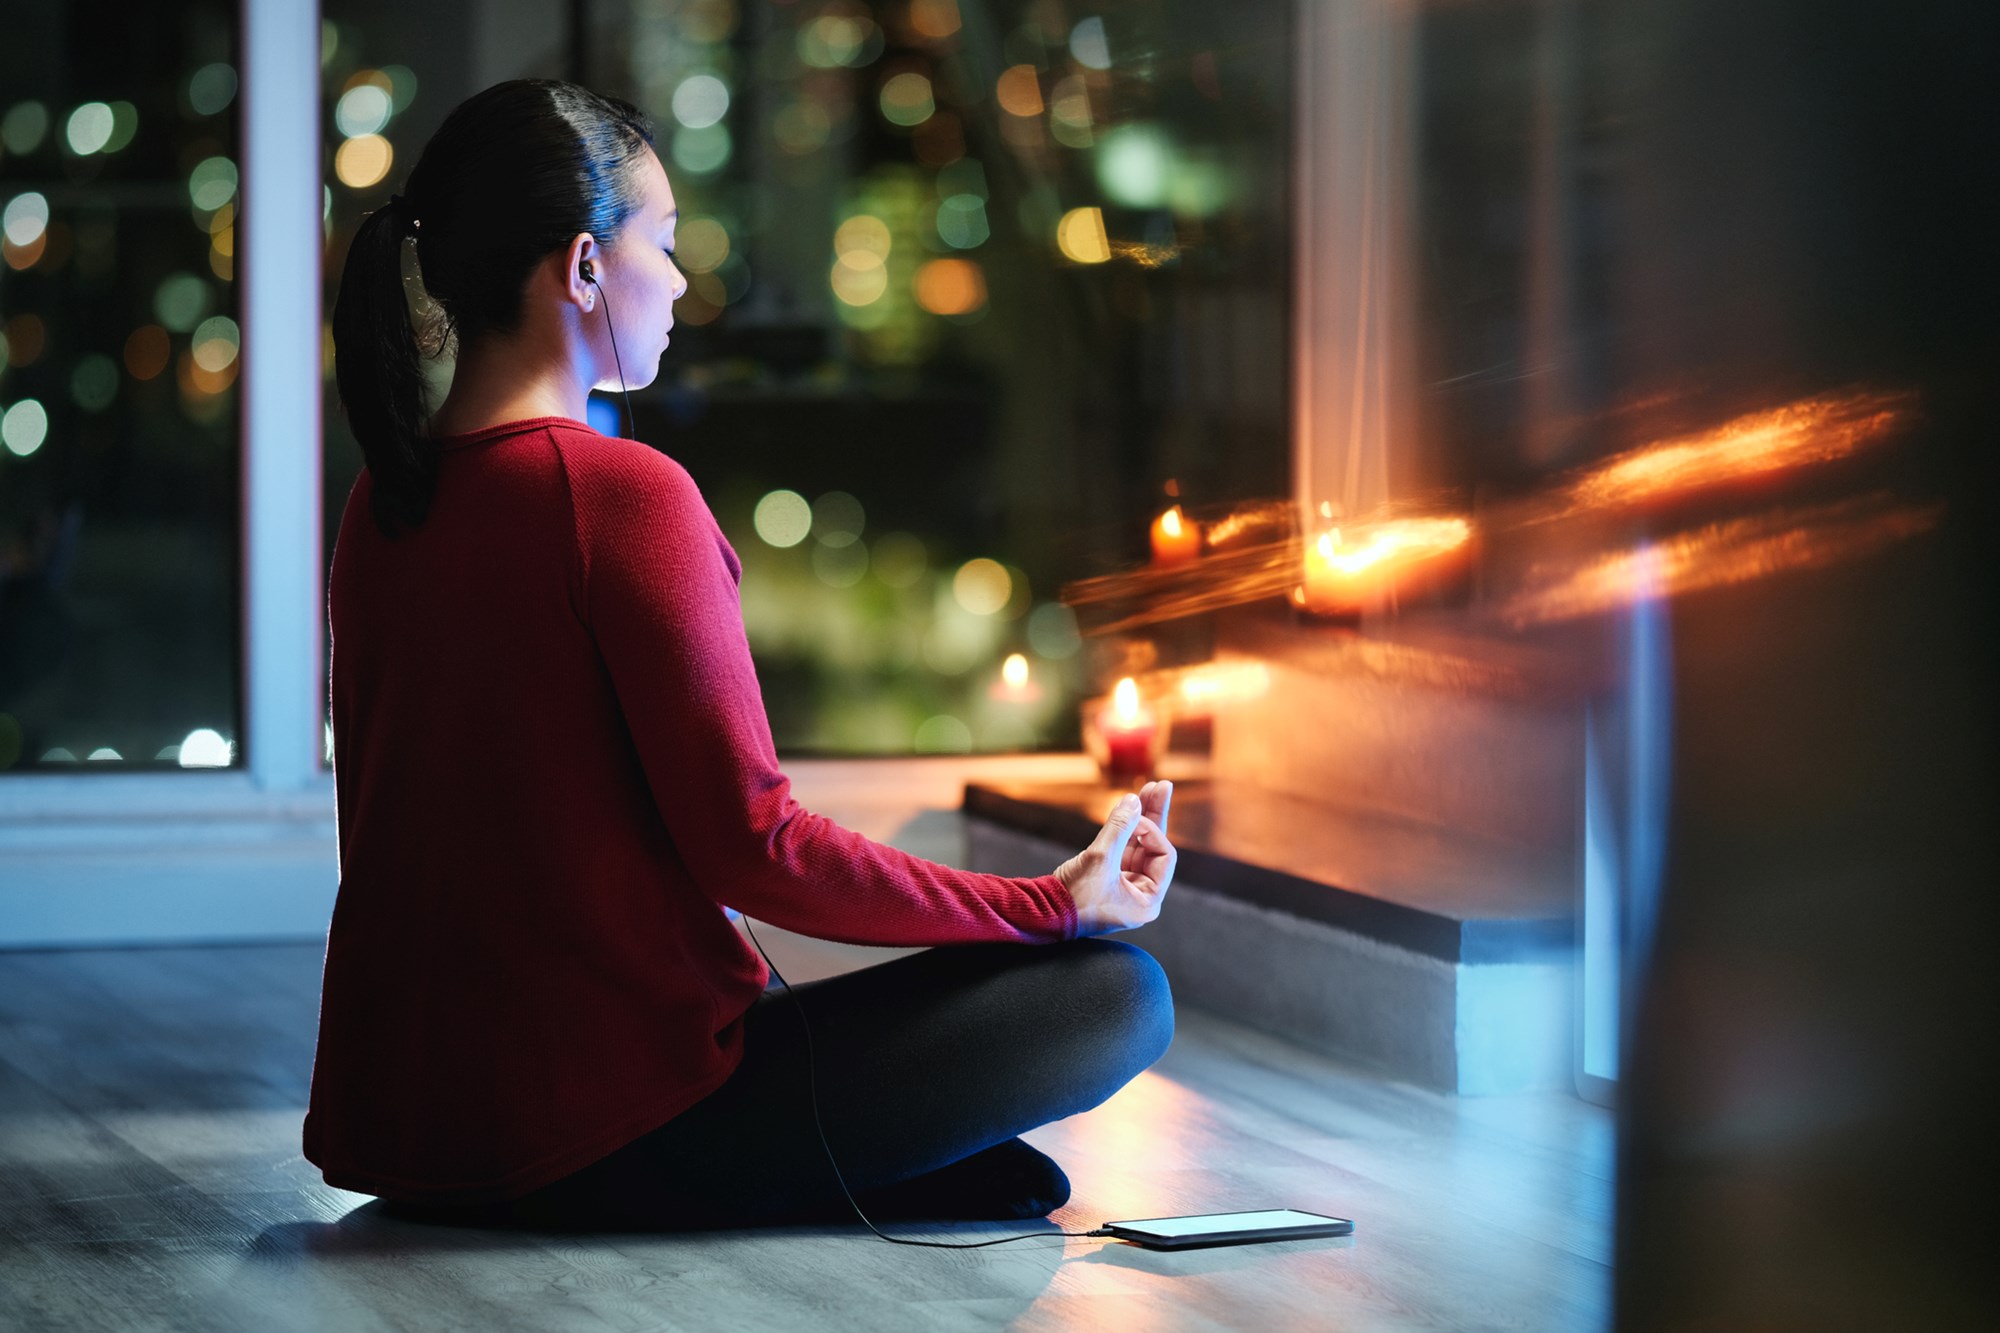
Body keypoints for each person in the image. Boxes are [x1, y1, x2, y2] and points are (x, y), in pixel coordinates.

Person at [304, 78, 1178, 1232]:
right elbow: (754, 848)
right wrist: (1050, 903)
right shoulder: (618, 496)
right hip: (605, 1122)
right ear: (579, 268)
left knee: (996, 1153)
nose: (677, 283)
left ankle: (829, 1165)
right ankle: (772, 1173)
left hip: (413, 1133)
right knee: (1117, 995)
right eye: (661, 245)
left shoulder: (385, 500)